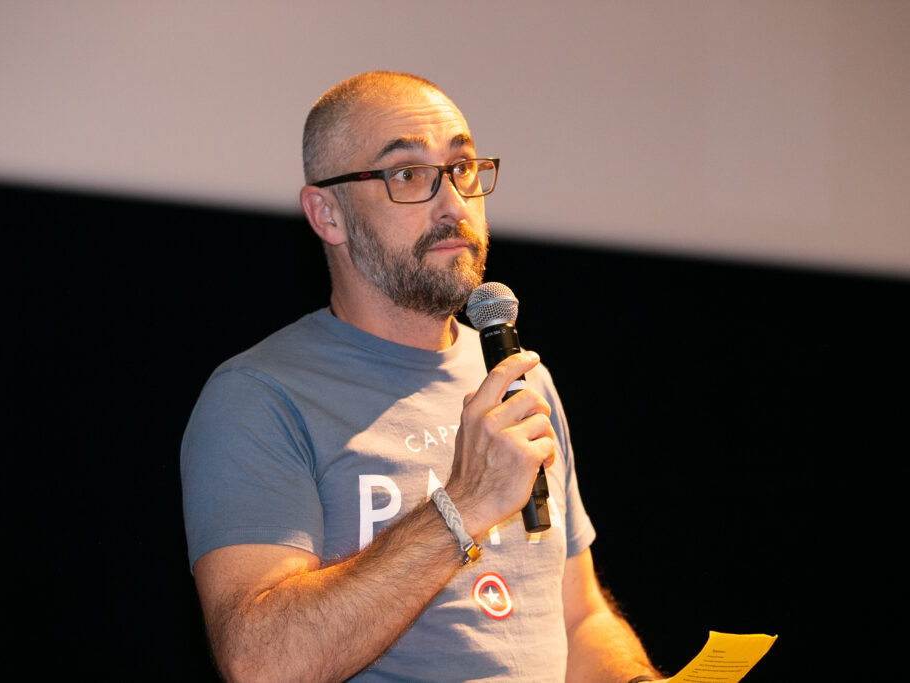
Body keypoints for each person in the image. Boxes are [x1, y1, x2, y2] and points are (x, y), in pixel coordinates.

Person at [181, 70, 665, 682]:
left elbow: (578, 618)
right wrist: (463, 505)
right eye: (408, 174)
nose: (454, 204)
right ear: (327, 214)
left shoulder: (517, 379)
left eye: (462, 168)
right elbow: (263, 663)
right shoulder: (259, 397)